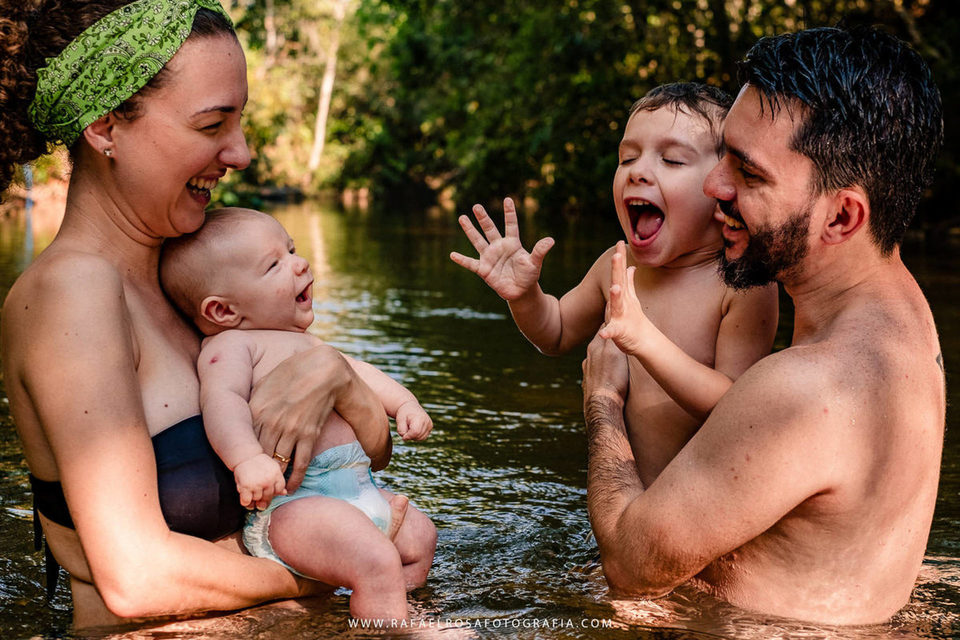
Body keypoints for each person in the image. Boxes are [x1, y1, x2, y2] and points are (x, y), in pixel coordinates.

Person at [0, 0, 392, 629]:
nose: (239, 153)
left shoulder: (189, 279)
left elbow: (362, 459)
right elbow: (137, 579)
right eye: (212, 125)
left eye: (240, 124)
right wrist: (354, 566)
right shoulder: (70, 292)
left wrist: (336, 378)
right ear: (105, 129)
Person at [582, 26, 945, 625]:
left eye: (748, 174)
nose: (712, 185)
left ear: (842, 216)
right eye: (723, 152)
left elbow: (629, 562)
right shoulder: (906, 326)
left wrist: (602, 401)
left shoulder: (810, 388)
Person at [451, 83, 779, 482]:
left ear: (722, 191)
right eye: (627, 158)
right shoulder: (617, 264)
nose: (638, 172)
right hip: (617, 496)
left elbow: (736, 409)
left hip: (694, 508)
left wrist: (646, 341)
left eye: (672, 160)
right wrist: (525, 296)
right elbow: (554, 333)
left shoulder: (742, 284)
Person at [159, 207, 437, 621]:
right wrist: (247, 459)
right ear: (223, 311)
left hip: (357, 488)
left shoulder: (307, 341)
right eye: (274, 265)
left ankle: (395, 608)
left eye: (290, 249)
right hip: (297, 505)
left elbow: (362, 375)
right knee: (375, 560)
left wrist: (404, 404)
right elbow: (224, 402)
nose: (300, 262)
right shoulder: (234, 346)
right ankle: (396, 628)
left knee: (422, 538)